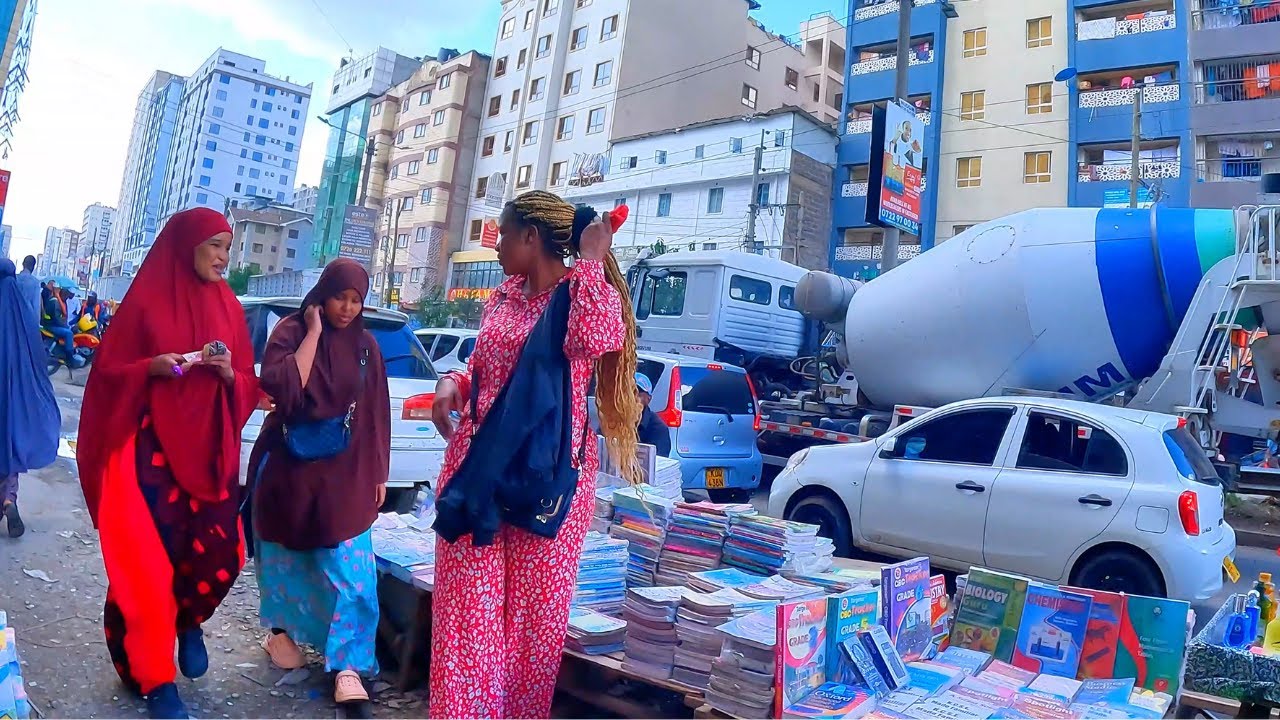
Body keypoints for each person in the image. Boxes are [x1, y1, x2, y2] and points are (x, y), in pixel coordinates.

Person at [428, 190, 641, 718]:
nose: (496, 245)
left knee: (531, 632)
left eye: (503, 234)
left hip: (549, 484)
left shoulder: (580, 293)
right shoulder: (503, 296)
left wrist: (591, 259)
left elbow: (599, 338)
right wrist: (453, 382)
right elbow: (486, 370)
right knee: (465, 621)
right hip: (479, 472)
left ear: (530, 236)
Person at [76, 207, 258, 719]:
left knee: (221, 554)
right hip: (146, 451)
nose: (224, 257)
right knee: (146, 566)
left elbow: (248, 380)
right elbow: (107, 375)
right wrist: (151, 367)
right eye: (215, 246)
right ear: (186, 246)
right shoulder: (146, 301)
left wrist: (229, 375)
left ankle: (187, 620)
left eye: (228, 247)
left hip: (208, 452)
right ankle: (157, 680)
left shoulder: (229, 306)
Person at [248, 258, 390, 709]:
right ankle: (281, 634)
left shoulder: (366, 345)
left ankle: (349, 665)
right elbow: (284, 389)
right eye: (339, 298)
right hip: (288, 469)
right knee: (285, 558)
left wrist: (379, 471)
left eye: (355, 300)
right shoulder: (291, 331)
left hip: (345, 475)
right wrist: (312, 333)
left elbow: (376, 412)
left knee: (353, 571)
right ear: (322, 295)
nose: (347, 308)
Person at [0, 258, 60, 538]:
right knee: (10, 445)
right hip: (15, 394)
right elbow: (38, 359)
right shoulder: (22, 312)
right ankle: (8, 500)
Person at [634, 372, 672, 457]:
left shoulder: (658, 429)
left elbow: (659, 461)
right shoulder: (613, 421)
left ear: (648, 399)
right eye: (628, 392)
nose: (632, 398)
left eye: (638, 393)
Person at [41, 279, 74, 363]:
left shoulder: (53, 299)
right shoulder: (54, 301)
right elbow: (57, 319)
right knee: (69, 333)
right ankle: (69, 357)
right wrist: (64, 325)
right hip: (51, 325)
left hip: (50, 324)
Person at [15, 255, 41, 328]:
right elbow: (36, 306)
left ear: (23, 264)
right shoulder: (35, 282)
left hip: (12, 316)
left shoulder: (14, 279)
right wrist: (36, 325)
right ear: (33, 267)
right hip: (26, 319)